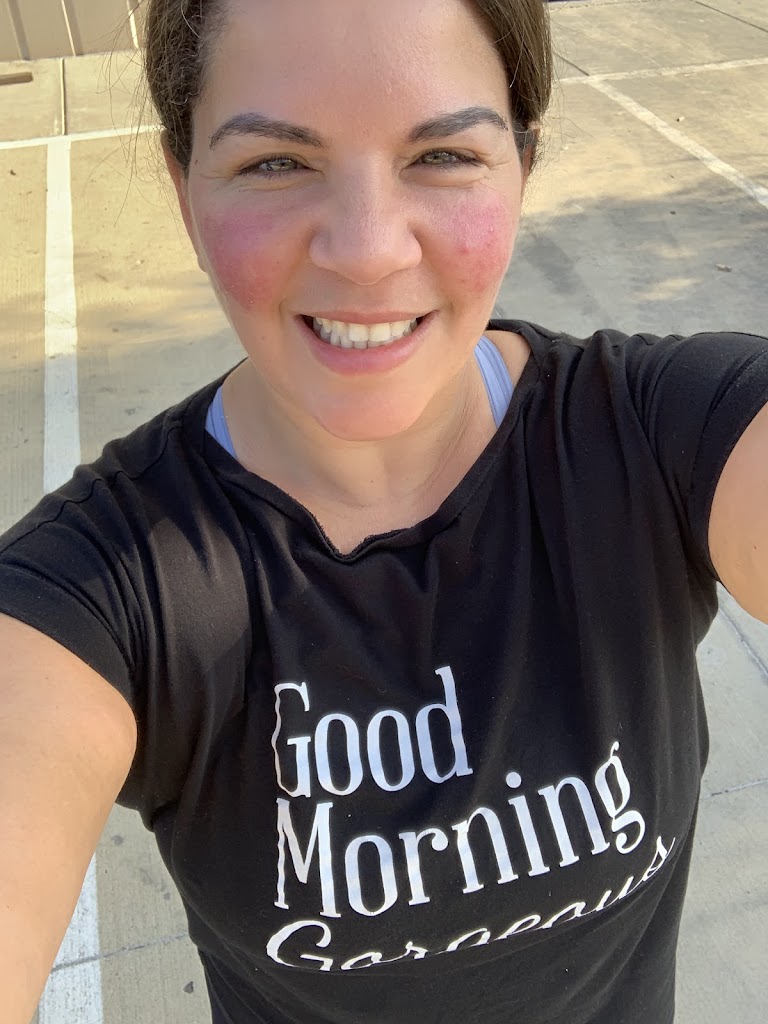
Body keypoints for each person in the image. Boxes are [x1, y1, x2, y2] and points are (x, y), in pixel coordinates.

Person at [0, 0, 766, 1021]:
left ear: (522, 166)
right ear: (185, 193)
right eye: (276, 163)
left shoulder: (662, 434)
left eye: (443, 155)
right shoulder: (98, 591)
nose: (366, 251)